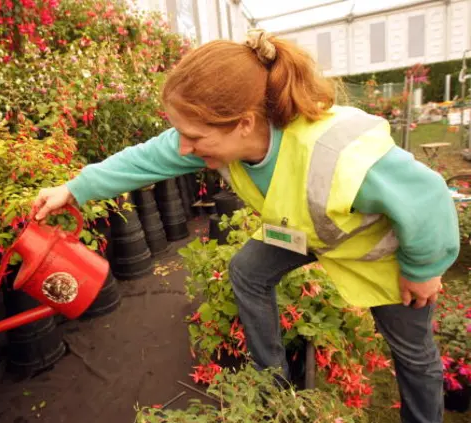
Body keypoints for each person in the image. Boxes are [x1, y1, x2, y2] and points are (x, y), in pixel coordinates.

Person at [31, 29, 459, 423]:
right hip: (308, 232)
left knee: (413, 354)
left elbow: (428, 196)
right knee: (247, 271)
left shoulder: (333, 150)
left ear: (244, 124)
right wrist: (74, 189)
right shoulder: (215, 141)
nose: (183, 147)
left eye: (193, 136)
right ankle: (272, 384)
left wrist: (423, 269)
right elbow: (144, 158)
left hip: (381, 255)